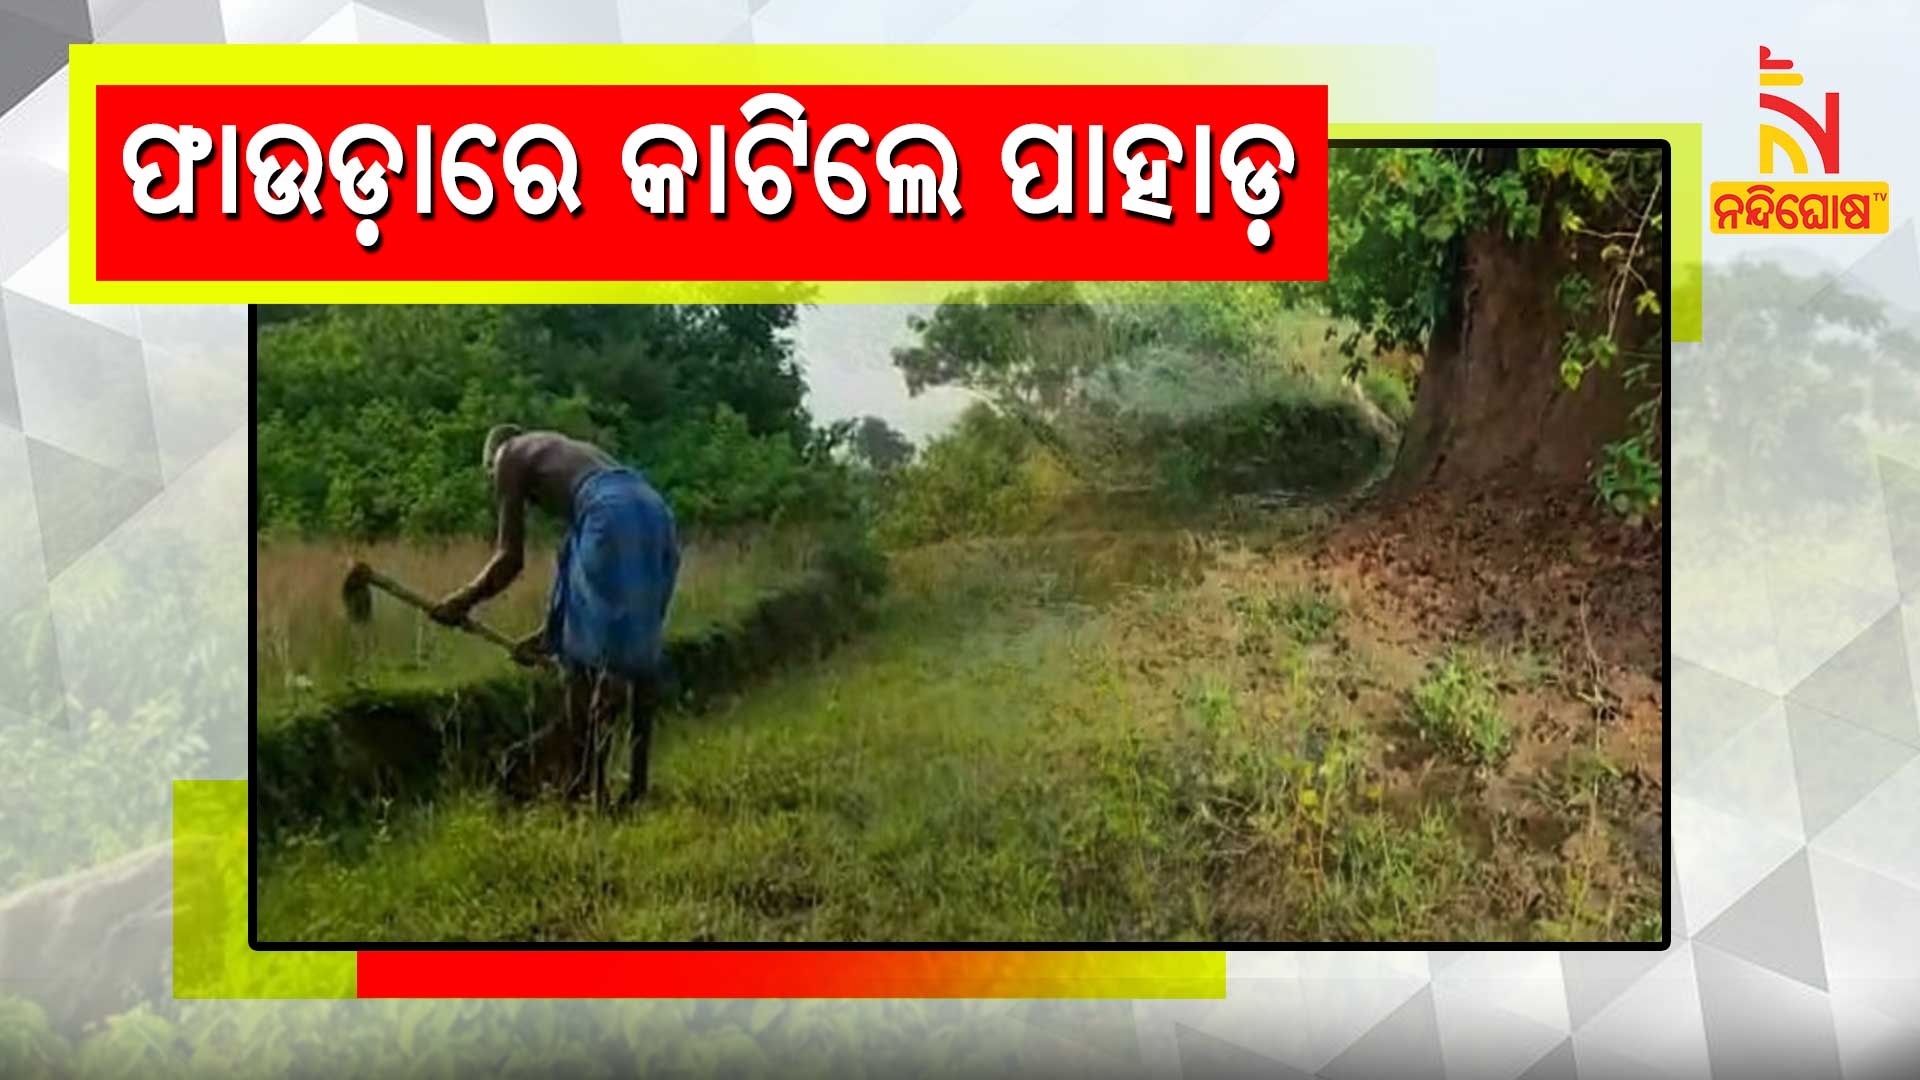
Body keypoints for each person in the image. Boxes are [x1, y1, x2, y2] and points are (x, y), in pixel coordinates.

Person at [429, 425, 679, 809]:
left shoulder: (508, 457)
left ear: (494, 460)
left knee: (589, 667)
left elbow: (510, 558)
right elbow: (571, 570)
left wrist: (460, 602)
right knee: (640, 653)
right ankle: (636, 789)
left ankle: (585, 788)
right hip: (653, 509)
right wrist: (550, 634)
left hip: (608, 512)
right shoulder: (565, 452)